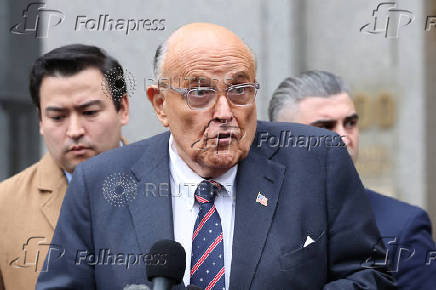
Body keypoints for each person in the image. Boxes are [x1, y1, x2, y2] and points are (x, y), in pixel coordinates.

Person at [36, 23, 395, 289]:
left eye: (240, 90)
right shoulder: (100, 182)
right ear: (160, 104)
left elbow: (371, 276)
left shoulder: (317, 161)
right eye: (200, 93)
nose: (225, 112)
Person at [269, 70, 436, 289]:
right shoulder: (248, 212)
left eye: (350, 123)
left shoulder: (403, 226)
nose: (344, 137)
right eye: (324, 128)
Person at [0, 44, 130, 290]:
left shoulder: (169, 186)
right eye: (57, 117)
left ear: (122, 109)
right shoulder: (4, 205)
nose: (74, 131)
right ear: (40, 120)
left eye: (89, 112)